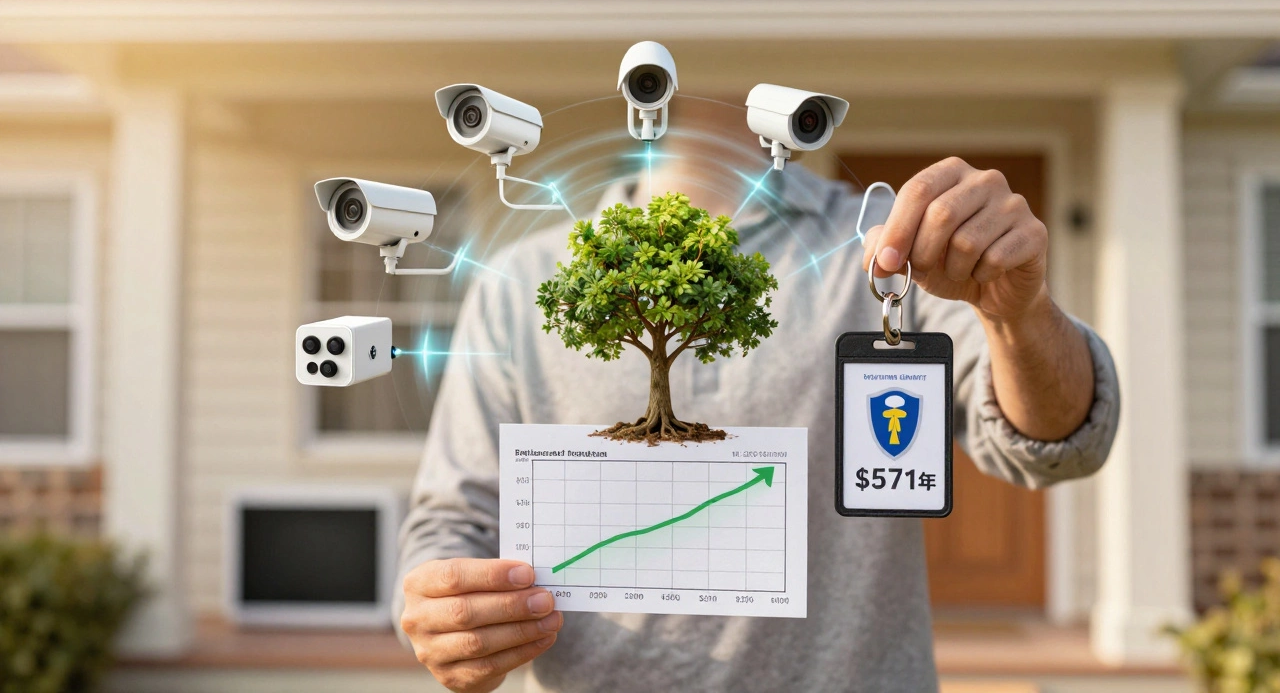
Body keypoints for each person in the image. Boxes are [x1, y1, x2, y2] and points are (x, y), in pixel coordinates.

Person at [394, 105, 1120, 693]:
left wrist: (1015, 315)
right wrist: (445, 610)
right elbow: (453, 521)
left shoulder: (890, 257)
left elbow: (1056, 444)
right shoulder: (524, 281)